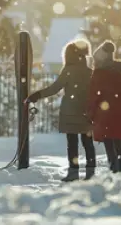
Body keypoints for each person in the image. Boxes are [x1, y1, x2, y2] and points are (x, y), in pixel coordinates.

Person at [26, 40, 96, 182]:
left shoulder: (68, 71)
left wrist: (36, 95)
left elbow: (54, 88)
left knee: (72, 143)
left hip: (70, 111)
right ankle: (90, 172)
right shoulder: (90, 72)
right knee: (88, 142)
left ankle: (73, 172)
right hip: (86, 112)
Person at [87, 41, 121, 173]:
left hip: (104, 113)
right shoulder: (120, 71)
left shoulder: (99, 73)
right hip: (119, 112)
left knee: (109, 143)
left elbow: (93, 95)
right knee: (118, 143)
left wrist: (90, 113)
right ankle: (120, 171)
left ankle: (114, 171)